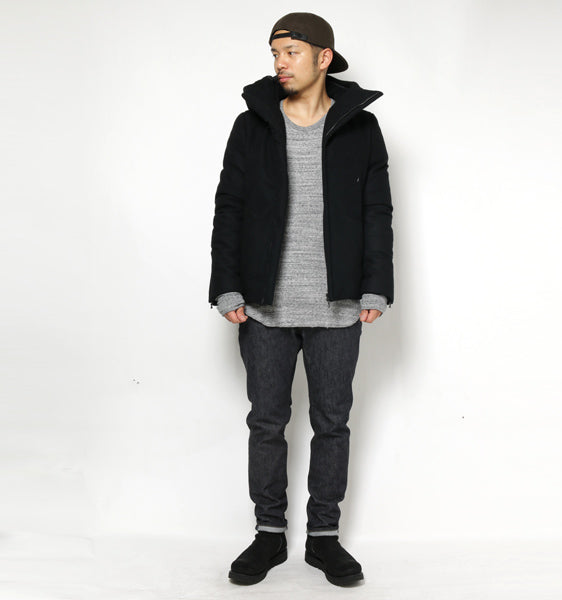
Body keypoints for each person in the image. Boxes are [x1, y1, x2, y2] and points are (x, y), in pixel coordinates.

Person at [208, 12, 394, 587]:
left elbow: (376, 211)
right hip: (264, 304)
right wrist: (226, 285)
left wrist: (377, 284)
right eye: (274, 53)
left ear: (323, 57)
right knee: (266, 422)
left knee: (332, 423)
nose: (279, 63)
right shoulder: (252, 125)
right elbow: (229, 207)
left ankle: (323, 538)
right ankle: (268, 534)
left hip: (339, 305)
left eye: (290, 51)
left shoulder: (361, 128)